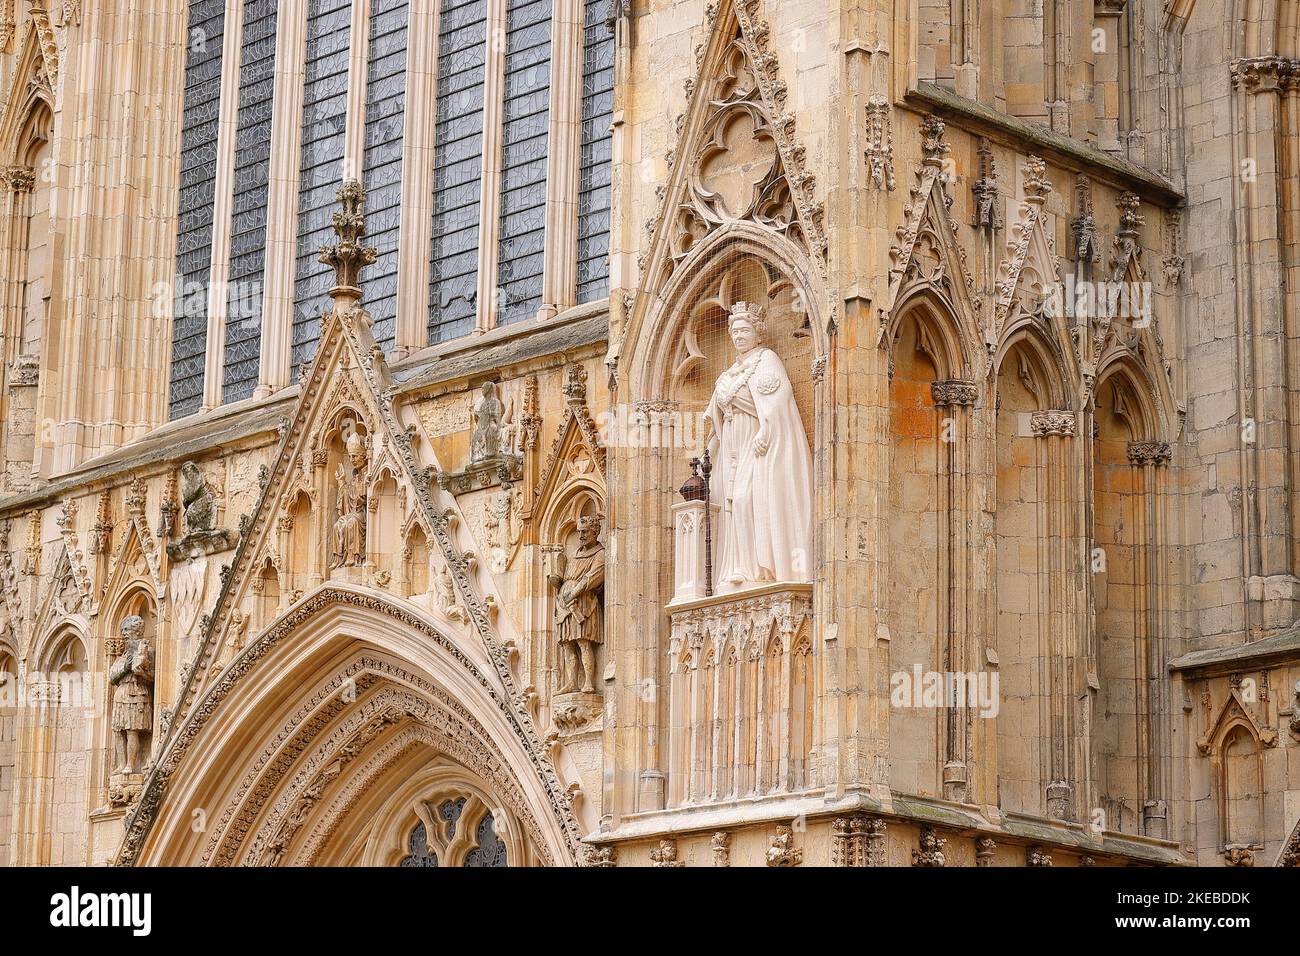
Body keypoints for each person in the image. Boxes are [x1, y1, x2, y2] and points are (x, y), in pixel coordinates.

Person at [702, 301, 813, 589]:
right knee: (729, 502)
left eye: (744, 330)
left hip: (756, 441)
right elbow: (716, 410)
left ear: (757, 333)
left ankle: (760, 568)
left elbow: (777, 399)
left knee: (744, 498)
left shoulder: (766, 360)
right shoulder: (728, 373)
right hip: (731, 443)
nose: (738, 336)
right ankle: (737, 567)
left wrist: (766, 428)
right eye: (735, 332)